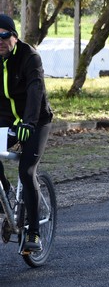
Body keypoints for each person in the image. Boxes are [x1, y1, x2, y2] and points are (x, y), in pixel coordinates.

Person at [0, 14, 53, 251]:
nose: (0, 41)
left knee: (26, 170)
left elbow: (35, 90)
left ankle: (34, 233)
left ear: (14, 36)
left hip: (35, 121)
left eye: (4, 35)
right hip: (7, 122)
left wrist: (29, 123)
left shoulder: (29, 57)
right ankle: (5, 192)